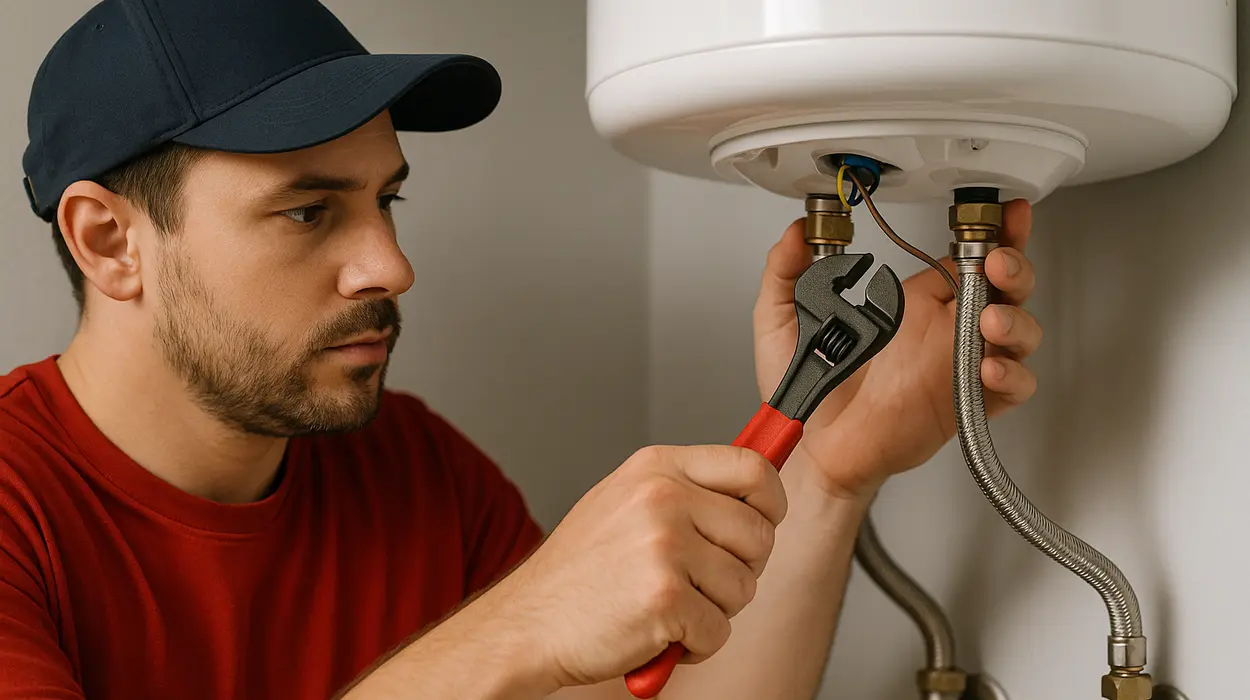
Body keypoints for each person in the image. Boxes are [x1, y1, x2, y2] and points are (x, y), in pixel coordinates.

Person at [0, 1, 1044, 699]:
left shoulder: (413, 468)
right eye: (309, 213)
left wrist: (828, 467)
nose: (391, 265)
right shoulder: (16, 510)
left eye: (386, 199)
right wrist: (516, 626)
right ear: (109, 241)